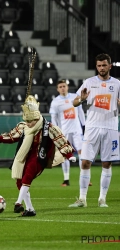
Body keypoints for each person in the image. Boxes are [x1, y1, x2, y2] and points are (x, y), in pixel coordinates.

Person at [0, 95, 76, 216]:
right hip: (26, 155)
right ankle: (30, 209)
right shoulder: (23, 126)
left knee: (28, 174)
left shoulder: (48, 127)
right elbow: (12, 136)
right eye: (27, 121)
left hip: (40, 156)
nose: (29, 124)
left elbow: (60, 140)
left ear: (37, 118)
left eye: (31, 121)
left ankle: (18, 203)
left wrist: (69, 155)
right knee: (19, 181)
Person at [69, 53, 120, 208]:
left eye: (104, 65)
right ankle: (82, 199)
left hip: (111, 128)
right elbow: (75, 102)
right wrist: (82, 99)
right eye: (99, 65)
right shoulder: (89, 82)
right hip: (92, 128)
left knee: (107, 163)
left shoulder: (117, 84)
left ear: (110, 66)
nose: (101, 68)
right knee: (85, 162)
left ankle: (102, 199)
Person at [49, 79, 87, 186]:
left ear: (67, 87)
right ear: (57, 89)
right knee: (65, 155)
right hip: (64, 132)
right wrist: (56, 131)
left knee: (81, 153)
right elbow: (54, 118)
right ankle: (66, 179)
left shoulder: (74, 97)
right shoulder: (55, 102)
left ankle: (84, 177)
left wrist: (84, 126)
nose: (62, 88)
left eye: (64, 86)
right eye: (60, 87)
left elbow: (80, 112)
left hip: (77, 130)